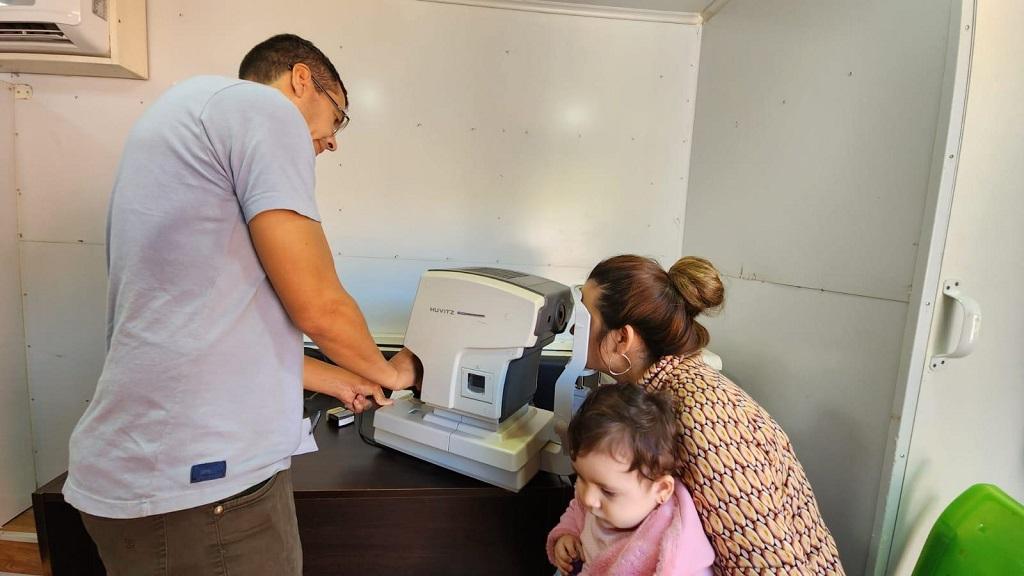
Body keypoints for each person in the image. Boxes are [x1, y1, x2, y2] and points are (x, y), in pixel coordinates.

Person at [63, 34, 419, 575]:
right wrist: (390, 373)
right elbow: (320, 304)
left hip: (148, 472)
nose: (333, 141)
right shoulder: (262, 109)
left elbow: (212, 332)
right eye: (337, 116)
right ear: (302, 80)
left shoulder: (189, 118)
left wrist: (341, 379)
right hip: (200, 494)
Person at [579, 255, 845, 575]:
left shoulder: (700, 421)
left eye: (585, 318)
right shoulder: (662, 390)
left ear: (623, 338)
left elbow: (769, 566)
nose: (574, 329)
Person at [547, 383, 714, 576]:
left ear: (660, 490)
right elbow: (577, 509)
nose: (588, 498)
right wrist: (567, 534)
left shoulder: (673, 550)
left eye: (608, 491)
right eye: (580, 477)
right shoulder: (597, 489)